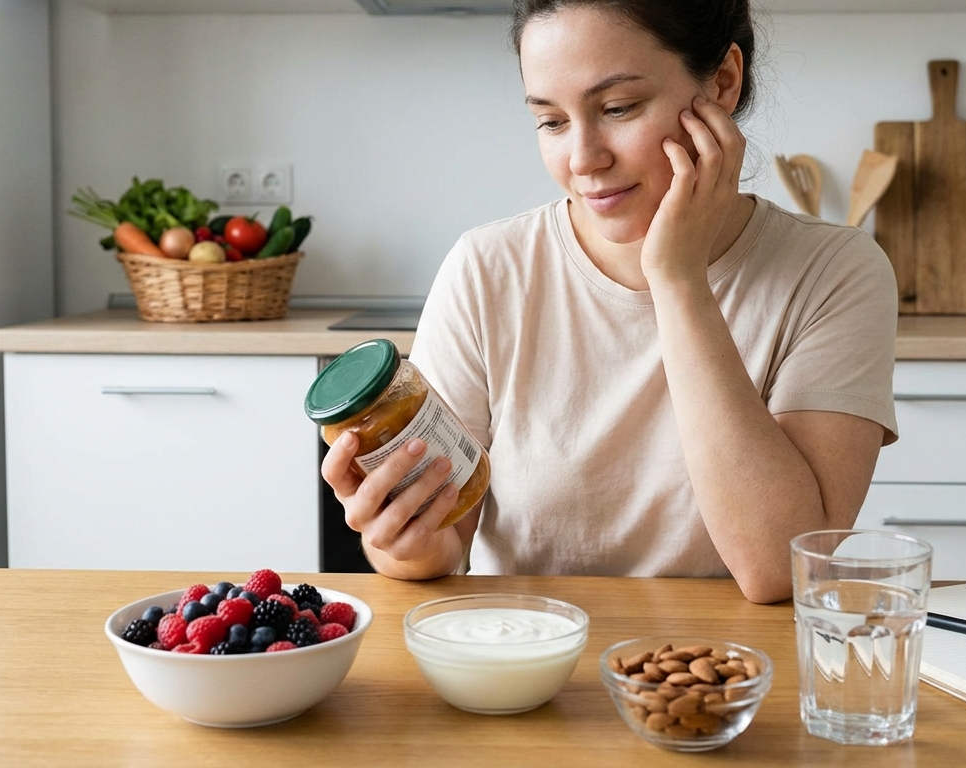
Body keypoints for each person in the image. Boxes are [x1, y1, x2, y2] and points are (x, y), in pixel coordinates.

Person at [321, 0, 899, 604]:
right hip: (529, 662)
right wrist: (407, 543)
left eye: (618, 108)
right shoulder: (487, 269)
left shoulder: (835, 272)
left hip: (730, 678)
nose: (583, 159)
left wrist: (677, 279)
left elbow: (778, 569)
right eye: (551, 122)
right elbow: (446, 538)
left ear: (724, 81)